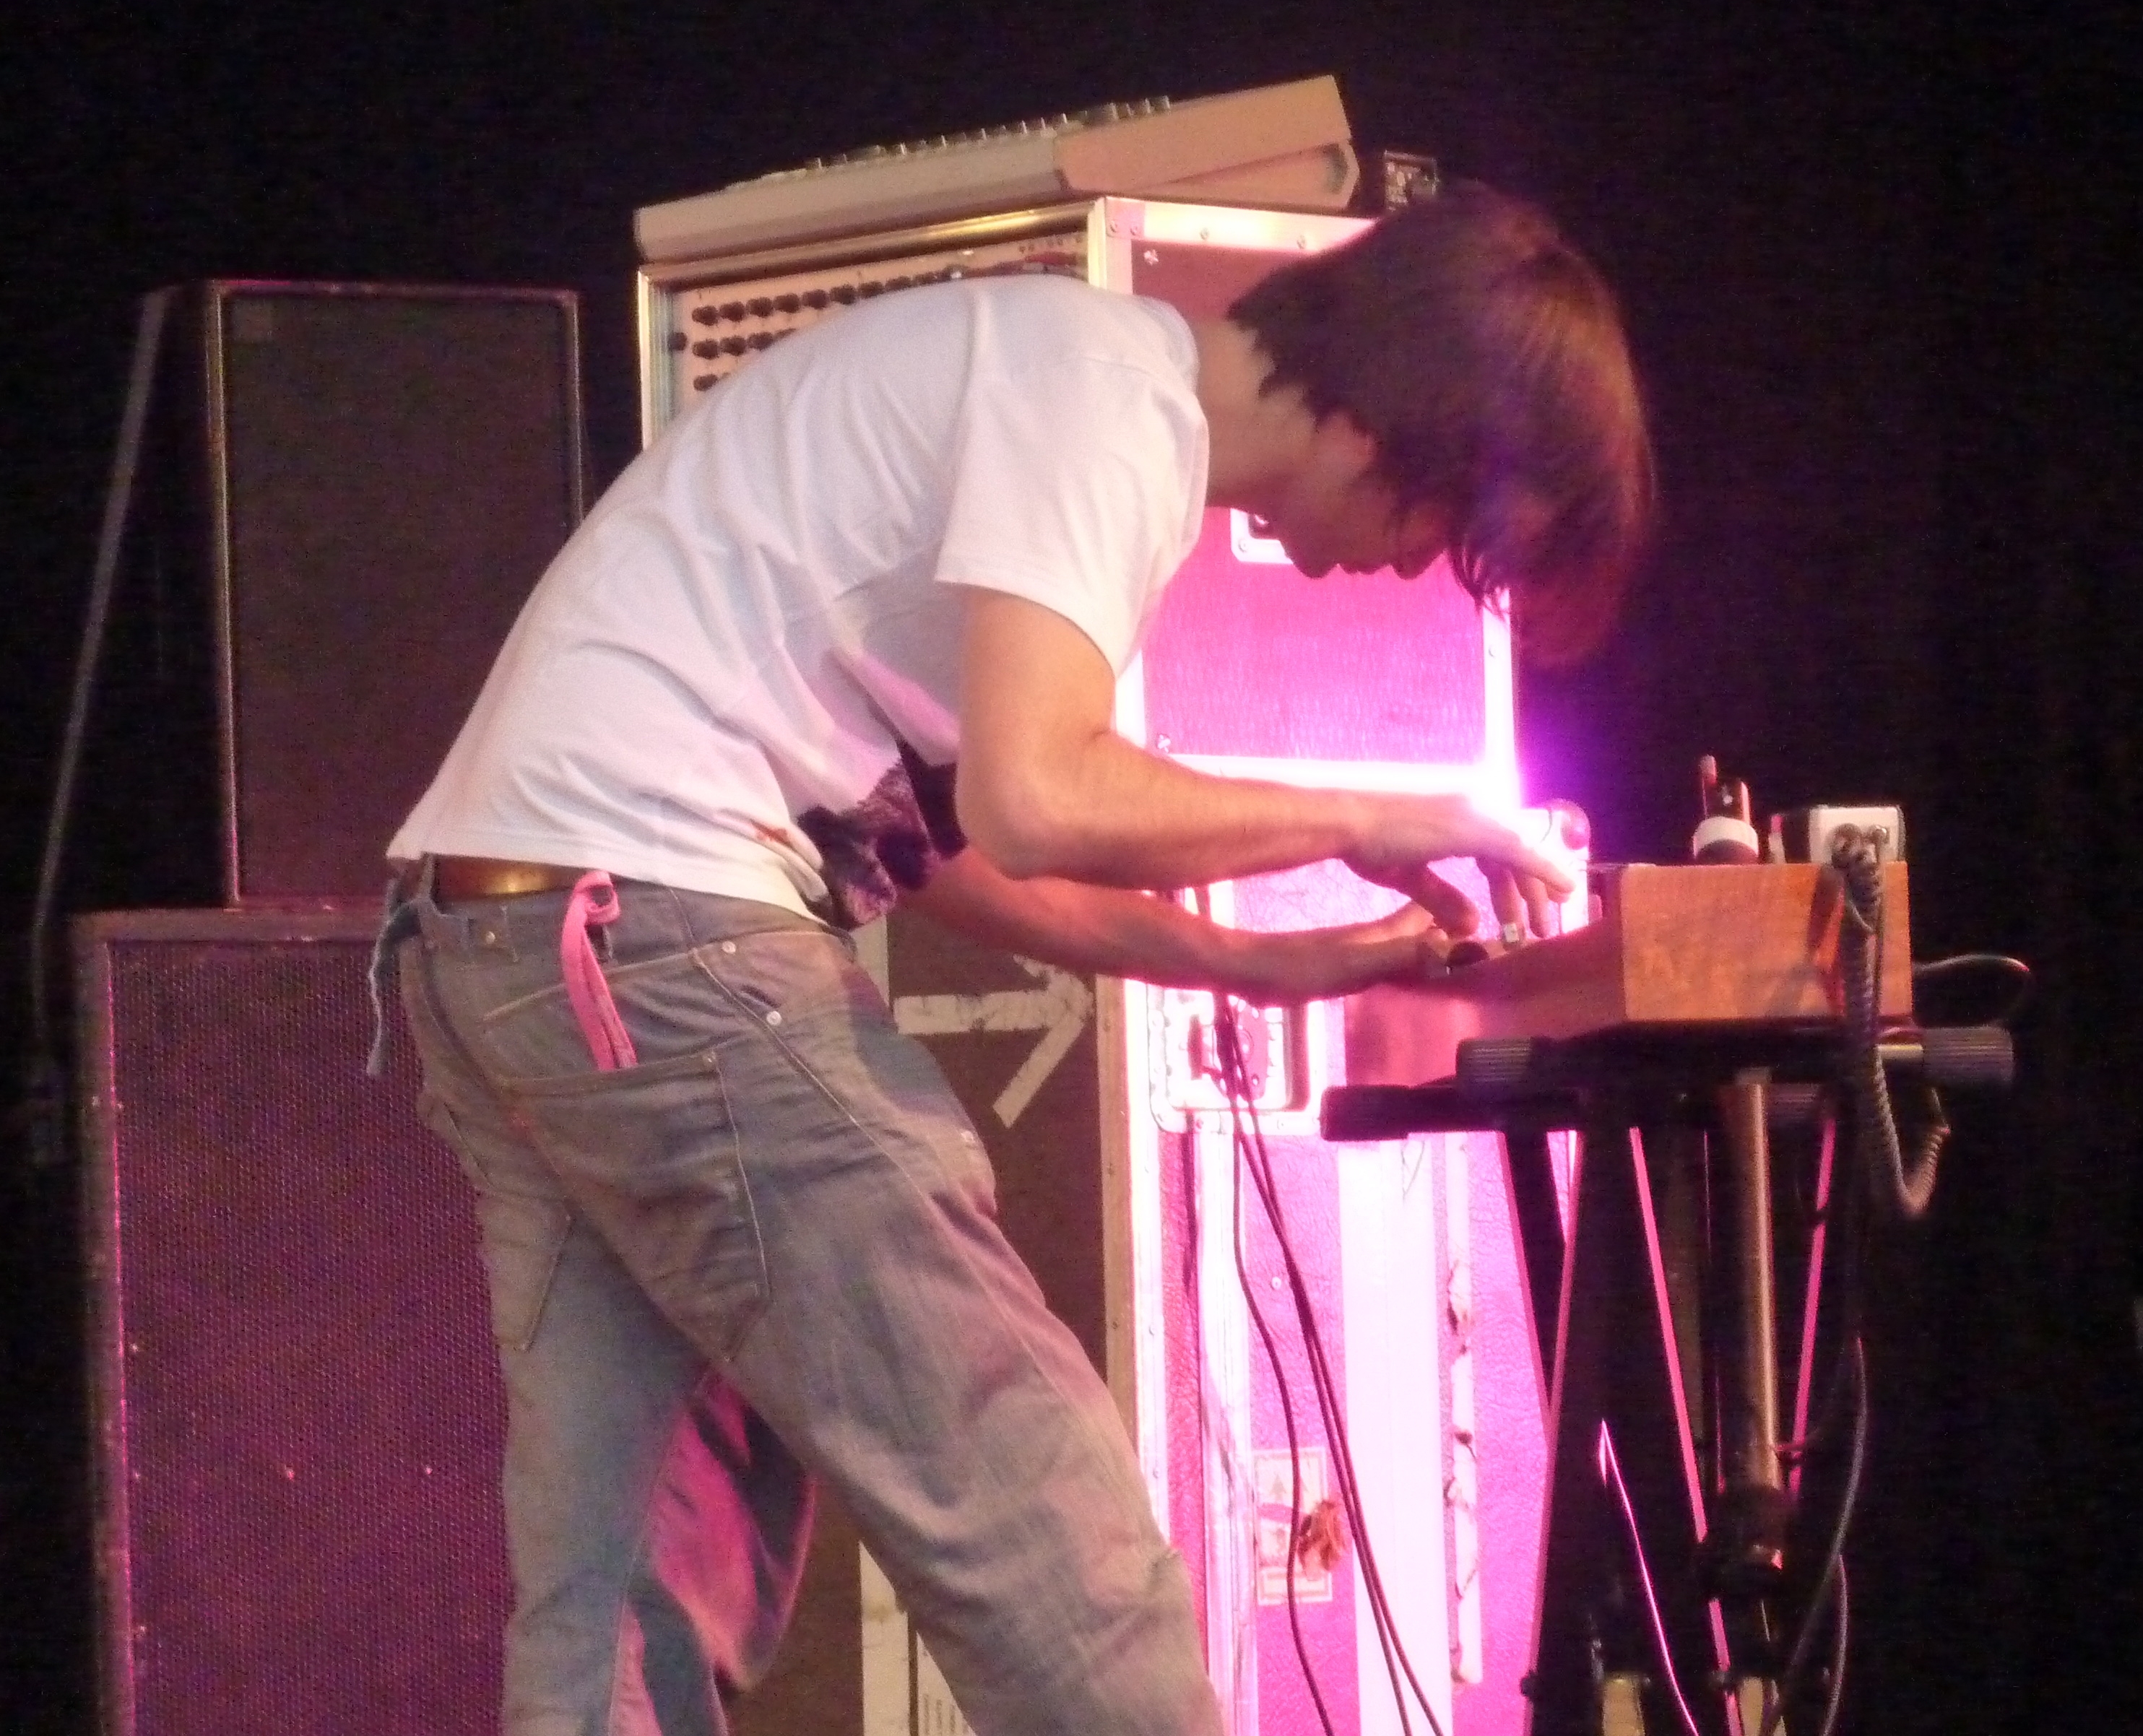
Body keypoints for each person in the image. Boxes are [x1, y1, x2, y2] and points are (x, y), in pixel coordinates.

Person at [377, 180, 1652, 1736]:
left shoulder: (1057, 384)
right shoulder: (1102, 396)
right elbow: (1038, 796)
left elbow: (948, 850)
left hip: (507, 940)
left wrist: (1254, 967)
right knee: (1045, 1524)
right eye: (1451, 534)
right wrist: (1377, 815)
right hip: (650, 940)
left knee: (621, 1586)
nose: (1416, 573)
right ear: (1391, 435)